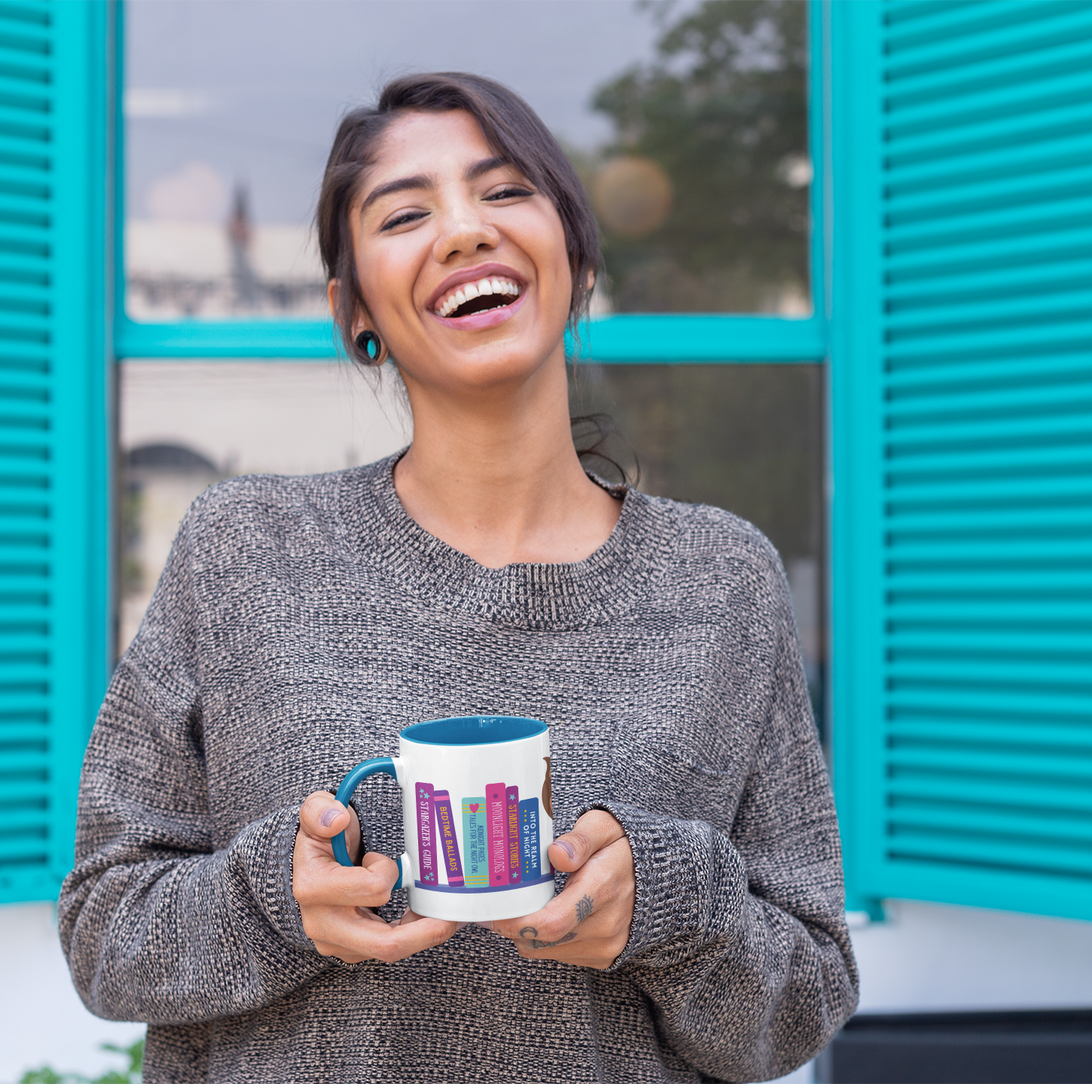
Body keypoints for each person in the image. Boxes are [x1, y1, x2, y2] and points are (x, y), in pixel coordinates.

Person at [59, 72, 858, 1084]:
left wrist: (668, 904)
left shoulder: (722, 581)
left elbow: (806, 997)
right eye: (404, 213)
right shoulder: (243, 552)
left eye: (504, 191)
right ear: (355, 311)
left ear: (574, 253)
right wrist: (275, 900)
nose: (463, 230)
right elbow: (101, 933)